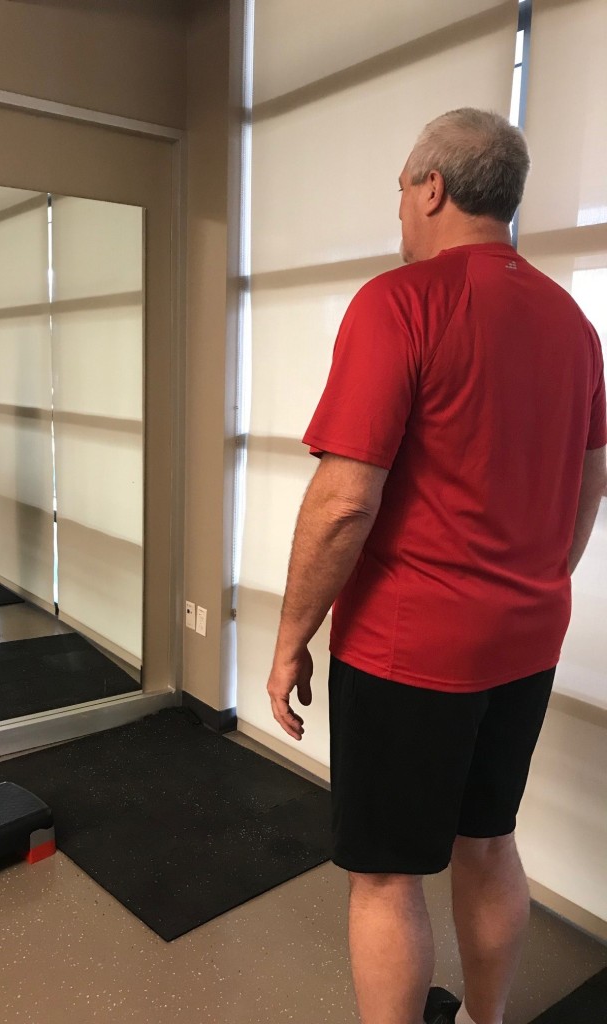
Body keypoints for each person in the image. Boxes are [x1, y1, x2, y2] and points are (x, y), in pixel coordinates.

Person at [266, 109, 607, 1024]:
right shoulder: (575, 323)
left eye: (403, 191)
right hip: (527, 642)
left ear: (431, 188)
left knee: (385, 876)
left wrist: (291, 636)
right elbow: (589, 481)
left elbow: (344, 504)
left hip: (409, 651)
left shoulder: (400, 301)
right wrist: (539, 578)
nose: (403, 212)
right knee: (487, 842)